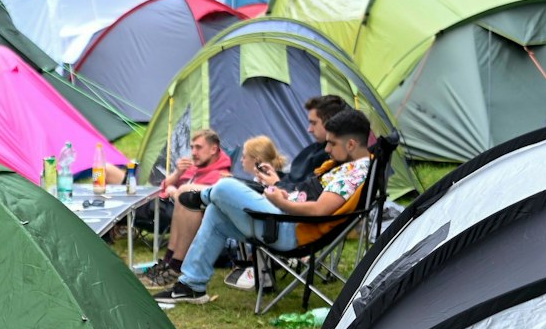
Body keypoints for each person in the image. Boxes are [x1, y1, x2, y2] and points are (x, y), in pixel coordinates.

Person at [148, 106, 376, 304]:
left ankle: (204, 196)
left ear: (351, 144)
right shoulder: (350, 165)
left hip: (288, 228)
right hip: (284, 218)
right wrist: (283, 192)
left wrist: (281, 202)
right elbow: (314, 200)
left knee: (225, 186)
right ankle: (192, 286)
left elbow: (319, 211)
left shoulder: (354, 173)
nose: (326, 149)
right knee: (216, 214)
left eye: (332, 143)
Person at [139, 129, 232, 285]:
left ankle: (175, 265)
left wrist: (175, 193)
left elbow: (195, 198)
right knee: (179, 201)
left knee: (183, 200)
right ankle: (169, 261)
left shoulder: (219, 175)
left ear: (213, 149)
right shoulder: (198, 167)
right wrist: (178, 172)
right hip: (175, 209)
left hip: (200, 222)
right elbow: (162, 186)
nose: (193, 152)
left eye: (198, 147)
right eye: (192, 147)